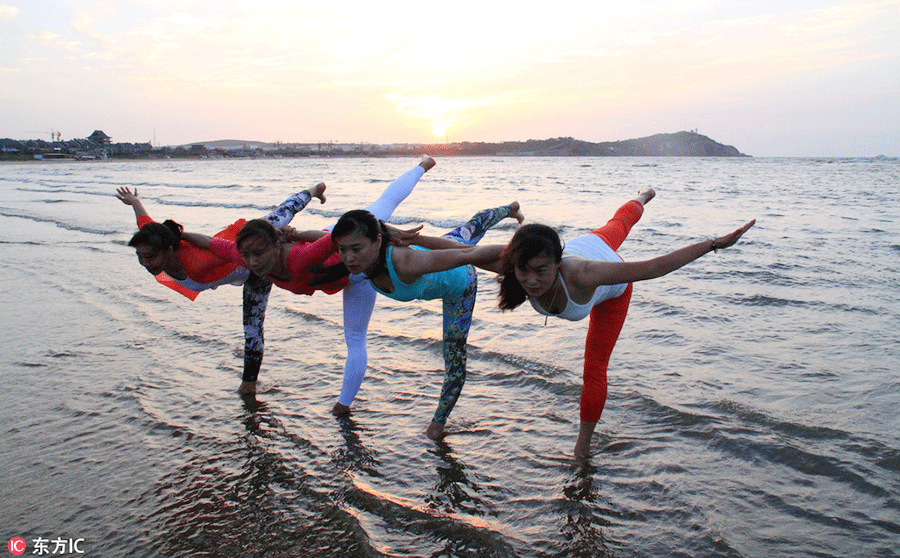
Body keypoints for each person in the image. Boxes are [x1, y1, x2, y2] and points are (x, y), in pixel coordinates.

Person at [495, 188, 755, 458]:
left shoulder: (583, 275)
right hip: (591, 243)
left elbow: (654, 268)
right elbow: (462, 252)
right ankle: (641, 197)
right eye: (524, 271)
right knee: (617, 224)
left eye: (541, 271)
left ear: (557, 264)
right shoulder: (516, 264)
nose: (531, 281)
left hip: (612, 289)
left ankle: (581, 450)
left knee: (594, 369)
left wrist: (712, 243)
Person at [181, 158, 436, 413]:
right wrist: (178, 234)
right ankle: (344, 407)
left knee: (384, 207)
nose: (253, 262)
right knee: (356, 337)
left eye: (258, 253)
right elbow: (208, 242)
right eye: (247, 255)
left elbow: (335, 237)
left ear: (275, 245)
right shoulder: (249, 256)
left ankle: (423, 167)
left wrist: (384, 231)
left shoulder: (302, 257)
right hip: (335, 260)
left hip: (356, 270)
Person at [330, 202, 524, 439]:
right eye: (343, 249)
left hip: (460, 284)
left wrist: (527, 255)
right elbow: (318, 240)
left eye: (357, 249)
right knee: (472, 227)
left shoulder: (405, 261)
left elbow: (468, 255)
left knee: (454, 355)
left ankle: (437, 424)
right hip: (439, 253)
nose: (348, 257)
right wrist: (295, 234)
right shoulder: (362, 261)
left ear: (378, 241)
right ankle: (511, 209)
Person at [116, 183, 326, 395]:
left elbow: (212, 243)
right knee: (281, 218)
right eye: (140, 257)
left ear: (169, 250)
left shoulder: (198, 262)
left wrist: (274, 241)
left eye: (150, 257)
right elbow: (145, 223)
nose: (145, 263)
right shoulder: (153, 242)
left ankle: (313, 191)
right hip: (237, 257)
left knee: (283, 214)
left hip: (255, 263)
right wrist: (135, 202)